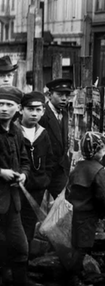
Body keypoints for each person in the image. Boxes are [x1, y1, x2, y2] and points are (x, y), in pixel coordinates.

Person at [65, 132, 105, 286]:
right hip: (89, 215)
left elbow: (69, 188)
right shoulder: (98, 170)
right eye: (103, 150)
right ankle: (73, 278)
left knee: (76, 245)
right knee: (82, 247)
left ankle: (76, 273)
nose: (104, 153)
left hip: (74, 213)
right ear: (96, 151)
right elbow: (103, 195)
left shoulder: (78, 167)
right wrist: (104, 212)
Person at [0, 86, 33, 286]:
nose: (3, 109)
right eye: (0, 104)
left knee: (20, 248)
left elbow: (24, 160)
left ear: (18, 108)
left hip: (12, 202)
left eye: (9, 105)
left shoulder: (17, 131)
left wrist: (23, 174)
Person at [16, 92, 51, 249]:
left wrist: (44, 179)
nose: (34, 113)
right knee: (13, 223)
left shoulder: (43, 134)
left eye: (38, 109)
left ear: (43, 111)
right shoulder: (13, 132)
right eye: (30, 109)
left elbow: (50, 160)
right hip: (16, 188)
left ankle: (25, 259)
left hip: (36, 188)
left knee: (29, 222)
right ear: (21, 109)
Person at [38, 78, 73, 198]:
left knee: (62, 205)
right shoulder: (41, 114)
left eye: (66, 95)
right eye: (59, 94)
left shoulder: (64, 113)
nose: (64, 98)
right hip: (43, 169)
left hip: (60, 169)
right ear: (49, 95)